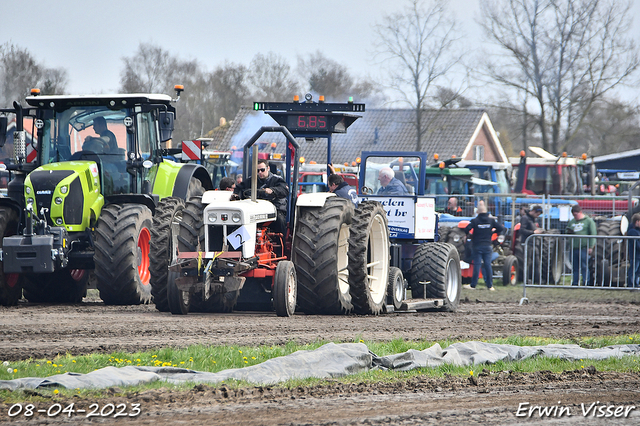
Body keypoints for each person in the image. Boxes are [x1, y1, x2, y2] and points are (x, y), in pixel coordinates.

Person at [233, 158, 289, 234]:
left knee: (279, 220)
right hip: (256, 209)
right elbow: (239, 187)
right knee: (241, 220)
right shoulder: (251, 180)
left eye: (262, 170)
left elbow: (284, 190)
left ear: (268, 168)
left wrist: (273, 190)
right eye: (257, 170)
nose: (260, 172)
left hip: (275, 208)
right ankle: (238, 243)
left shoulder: (277, 180)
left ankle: (281, 243)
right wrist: (236, 195)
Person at [463, 201, 504, 291]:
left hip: (477, 246)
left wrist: (470, 235)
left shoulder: (475, 221)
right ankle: (490, 286)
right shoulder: (491, 221)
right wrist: (492, 232)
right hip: (488, 246)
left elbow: (466, 229)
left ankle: (473, 285)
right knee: (487, 265)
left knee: (477, 265)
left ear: (478, 212)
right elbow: (501, 228)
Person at [566, 205, 596, 286]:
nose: (575, 217)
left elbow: (593, 234)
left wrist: (590, 246)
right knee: (575, 267)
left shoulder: (589, 221)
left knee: (584, 266)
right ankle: (575, 282)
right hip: (574, 247)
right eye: (573, 215)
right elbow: (567, 231)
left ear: (580, 212)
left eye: (576, 215)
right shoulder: (572, 222)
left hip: (584, 248)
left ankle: (586, 282)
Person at [627, 213, 640, 288]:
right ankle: (631, 283)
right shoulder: (632, 231)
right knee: (633, 269)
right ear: (637, 221)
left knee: (637, 270)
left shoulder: (637, 231)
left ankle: (636, 283)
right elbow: (636, 244)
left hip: (638, 255)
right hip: (635, 255)